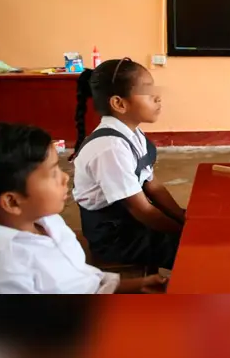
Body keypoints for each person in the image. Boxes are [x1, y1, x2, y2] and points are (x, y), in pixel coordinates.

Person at [0, 123, 167, 294]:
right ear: (12, 202)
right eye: (52, 173)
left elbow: (80, 280)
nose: (65, 177)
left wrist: (134, 285)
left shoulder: (48, 220)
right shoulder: (7, 267)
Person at [71, 58, 183, 270]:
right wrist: (183, 231)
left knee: (203, 223)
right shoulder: (110, 148)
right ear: (119, 104)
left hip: (131, 221)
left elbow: (153, 184)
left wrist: (181, 215)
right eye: (148, 93)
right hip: (116, 238)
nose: (158, 97)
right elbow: (143, 211)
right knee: (193, 250)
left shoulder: (132, 133)